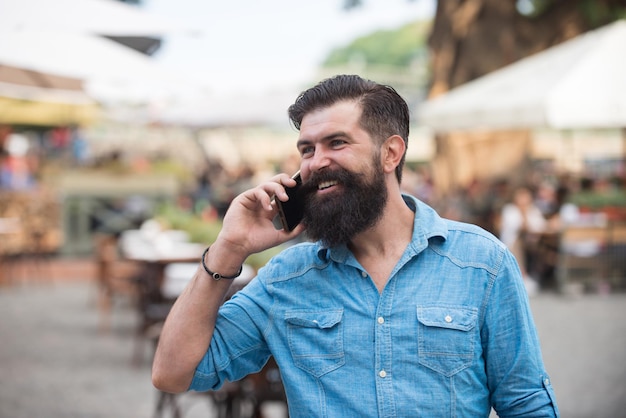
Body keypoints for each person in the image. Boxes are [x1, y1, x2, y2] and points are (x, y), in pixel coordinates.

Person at [152, 75, 559, 417]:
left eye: (337, 143)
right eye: (307, 149)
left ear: (391, 153)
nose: (315, 162)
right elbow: (173, 373)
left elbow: (524, 401)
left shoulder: (482, 263)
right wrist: (229, 247)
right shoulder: (286, 278)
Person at [499, 186, 548, 295]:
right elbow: (516, 227)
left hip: (532, 243)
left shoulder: (533, 210)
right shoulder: (510, 210)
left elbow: (541, 225)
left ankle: (532, 276)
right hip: (513, 243)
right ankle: (523, 276)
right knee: (518, 244)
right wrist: (524, 215)